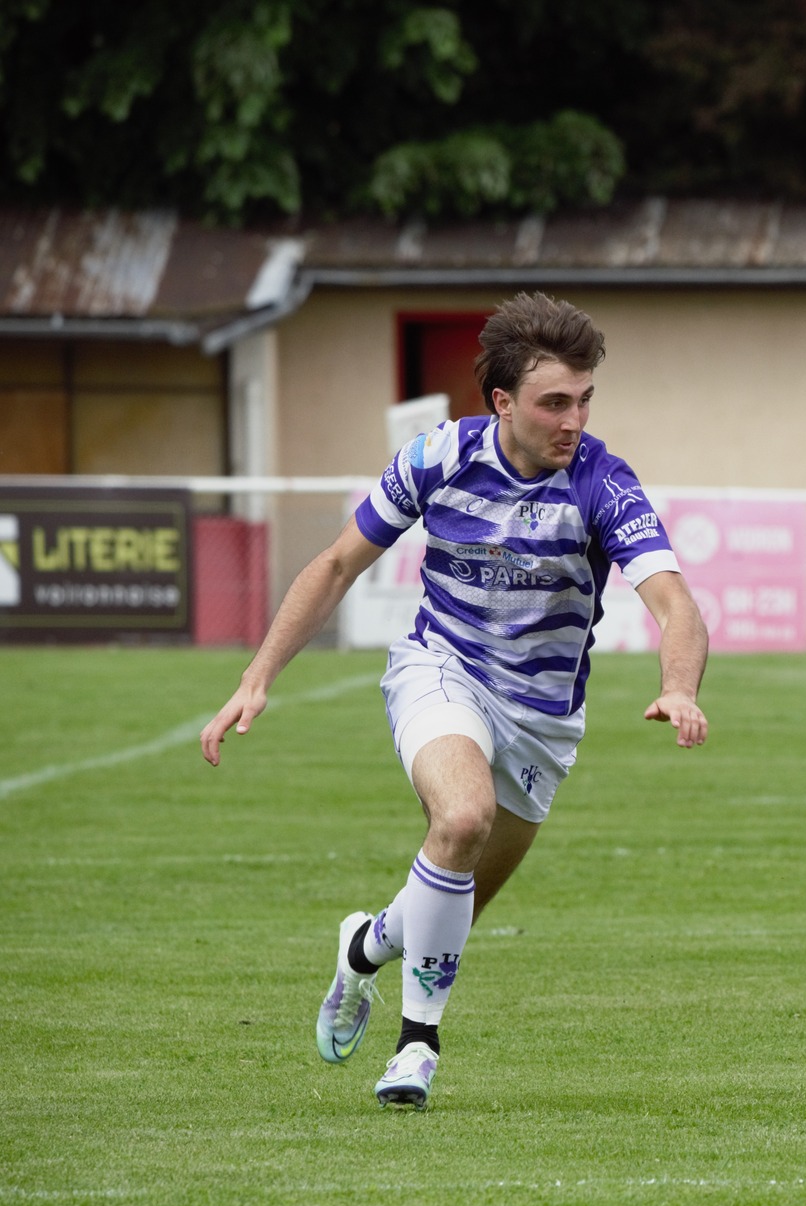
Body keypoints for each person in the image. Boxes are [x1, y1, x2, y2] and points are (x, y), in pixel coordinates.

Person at [200, 293, 710, 1109]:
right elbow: (336, 565)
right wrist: (257, 676)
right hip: (443, 670)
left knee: (451, 900)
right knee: (463, 818)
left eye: (585, 399)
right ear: (502, 401)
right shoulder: (438, 456)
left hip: (543, 721)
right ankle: (417, 1047)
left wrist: (678, 685)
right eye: (554, 402)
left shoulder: (602, 481)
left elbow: (675, 603)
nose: (574, 420)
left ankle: (364, 948)